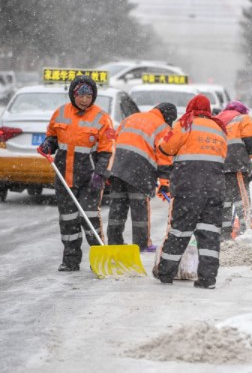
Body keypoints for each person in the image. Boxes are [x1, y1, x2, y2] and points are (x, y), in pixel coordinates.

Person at [37, 75, 115, 271]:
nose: (84, 100)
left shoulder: (102, 118)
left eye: (88, 96)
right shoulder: (60, 113)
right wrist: (48, 144)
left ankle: (99, 260)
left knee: (89, 218)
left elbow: (107, 150)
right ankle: (70, 261)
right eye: (80, 95)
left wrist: (100, 174)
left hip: (89, 178)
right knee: (68, 220)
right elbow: (53, 136)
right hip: (64, 177)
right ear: (73, 95)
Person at [153, 94, 227, 288]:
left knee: (179, 231)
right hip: (215, 189)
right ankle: (207, 278)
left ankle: (166, 273)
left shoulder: (185, 123)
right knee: (210, 234)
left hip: (189, 188)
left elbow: (166, 147)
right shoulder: (219, 128)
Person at [106, 102, 178, 252]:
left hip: (117, 167)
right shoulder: (163, 128)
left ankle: (114, 242)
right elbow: (164, 156)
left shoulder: (132, 117)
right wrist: (165, 182)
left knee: (117, 207)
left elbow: (112, 138)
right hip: (140, 170)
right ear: (168, 117)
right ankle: (141, 244)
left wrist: (108, 168)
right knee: (140, 209)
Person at [215, 100, 252, 240]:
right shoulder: (243, 118)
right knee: (242, 198)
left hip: (219, 164)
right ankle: (246, 231)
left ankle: (224, 232)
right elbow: (250, 141)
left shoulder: (217, 119)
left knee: (225, 199)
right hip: (237, 163)